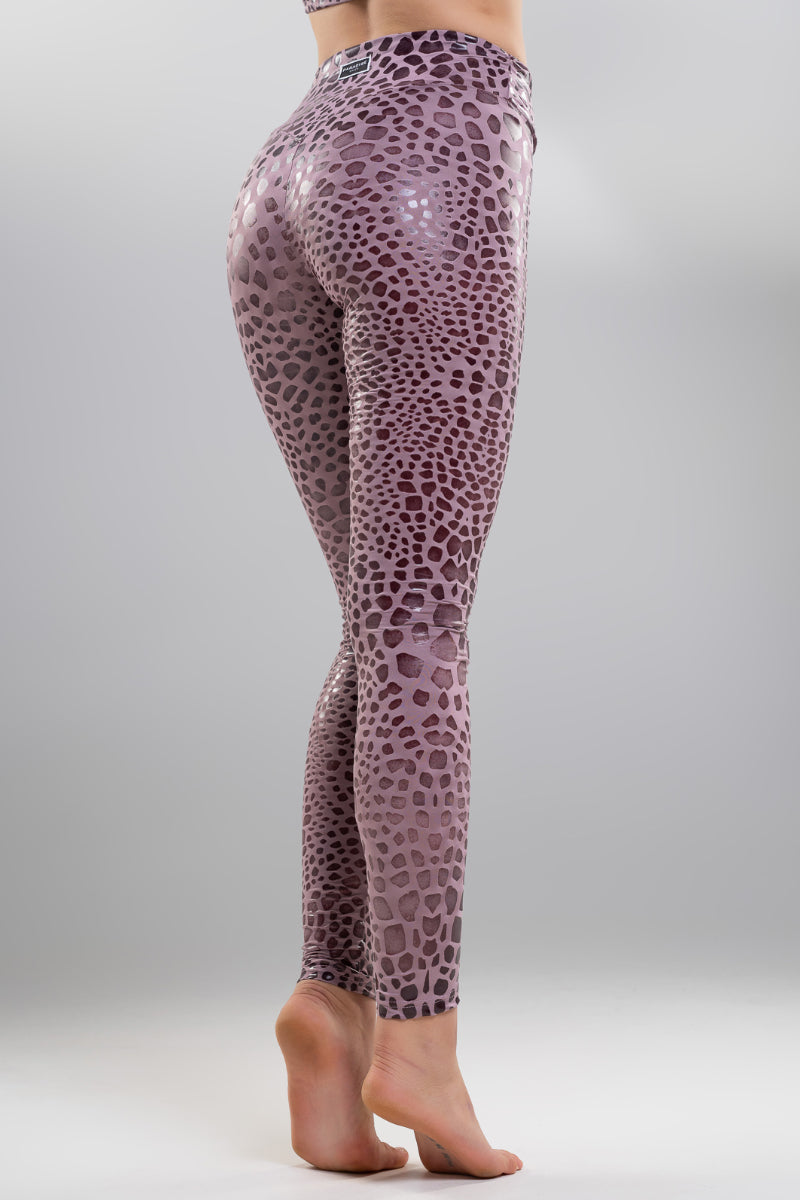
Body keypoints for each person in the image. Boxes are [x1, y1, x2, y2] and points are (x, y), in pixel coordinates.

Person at [225, 0, 537, 1178]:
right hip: (435, 141)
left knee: (378, 628)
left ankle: (333, 1003)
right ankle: (421, 1044)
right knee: (417, 630)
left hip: (288, 167)